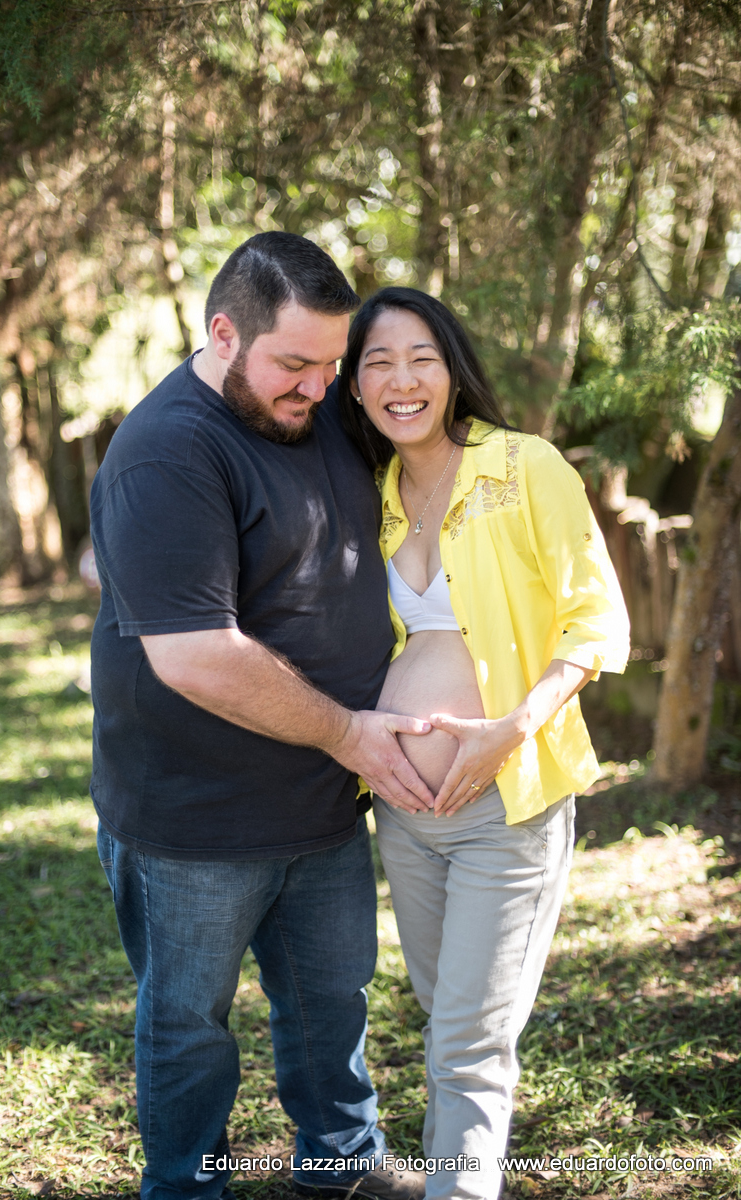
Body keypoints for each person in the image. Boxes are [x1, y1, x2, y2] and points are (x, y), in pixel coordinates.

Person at [89, 235, 434, 1200]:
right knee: (190, 1024)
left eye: (332, 364)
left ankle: (342, 1169)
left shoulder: (314, 408)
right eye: (294, 363)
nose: (317, 388)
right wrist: (349, 732)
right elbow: (197, 653)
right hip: (192, 815)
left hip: (319, 799)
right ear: (223, 333)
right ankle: (185, 1187)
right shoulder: (166, 449)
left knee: (331, 1002)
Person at [337, 287, 630, 1200]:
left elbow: (593, 617)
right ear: (352, 387)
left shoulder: (524, 465)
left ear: (452, 366)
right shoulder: (369, 491)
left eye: (419, 356)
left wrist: (510, 727)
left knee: (467, 1038)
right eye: (376, 362)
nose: (400, 379)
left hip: (507, 801)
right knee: (443, 1019)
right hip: (406, 811)